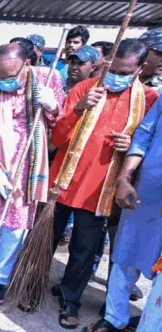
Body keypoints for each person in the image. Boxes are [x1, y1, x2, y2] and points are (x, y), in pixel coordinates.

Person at [50, 39, 159, 329]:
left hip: (100, 191)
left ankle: (70, 299)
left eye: (125, 72)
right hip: (62, 182)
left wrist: (130, 145)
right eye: (113, 69)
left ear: (138, 70)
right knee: (45, 239)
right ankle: (30, 284)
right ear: (105, 62)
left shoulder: (147, 99)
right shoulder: (85, 89)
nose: (117, 76)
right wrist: (78, 110)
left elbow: (148, 144)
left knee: (83, 249)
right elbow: (57, 138)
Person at [0, 43, 65, 302]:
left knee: (15, 228)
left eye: (10, 77)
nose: (4, 82)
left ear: (27, 65)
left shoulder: (48, 78)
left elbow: (61, 123)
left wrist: (53, 107)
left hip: (26, 168)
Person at [84, 78, 162, 332]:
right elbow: (144, 136)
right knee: (126, 253)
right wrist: (125, 177)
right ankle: (114, 319)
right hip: (146, 195)